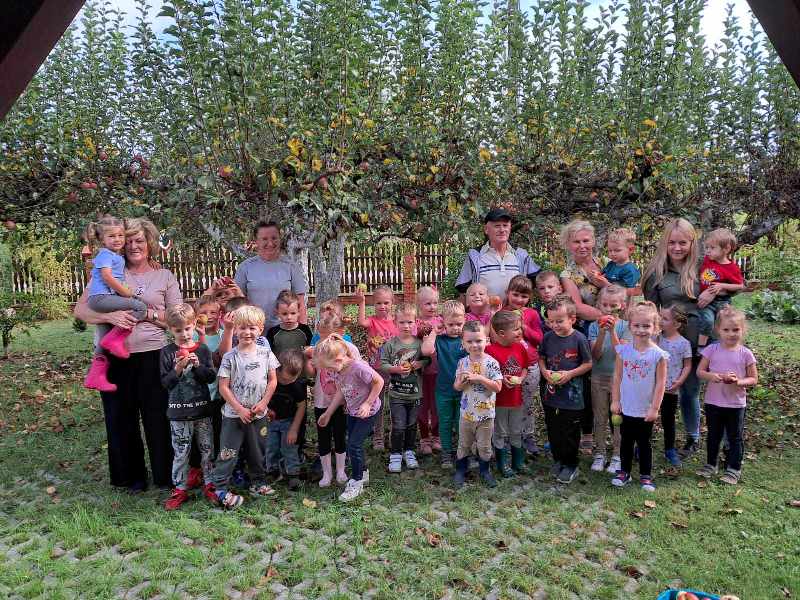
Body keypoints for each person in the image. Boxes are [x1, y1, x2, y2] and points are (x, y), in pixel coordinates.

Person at [74, 217, 182, 493]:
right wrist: (109, 316)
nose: (134, 246)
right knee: (120, 418)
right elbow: (81, 310)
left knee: (158, 417)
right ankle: (130, 477)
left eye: (139, 241)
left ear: (149, 243)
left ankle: (165, 475)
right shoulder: (110, 271)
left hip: (154, 355)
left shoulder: (164, 276)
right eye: (129, 241)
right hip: (116, 358)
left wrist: (147, 315)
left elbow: (177, 319)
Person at [642, 217, 717, 458]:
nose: (677, 248)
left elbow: (730, 287)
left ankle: (694, 437)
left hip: (702, 338)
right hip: (671, 342)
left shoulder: (704, 267)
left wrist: (714, 291)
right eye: (672, 242)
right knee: (665, 388)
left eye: (683, 243)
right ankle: (654, 437)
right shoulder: (656, 272)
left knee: (691, 389)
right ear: (665, 242)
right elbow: (651, 311)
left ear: (692, 243)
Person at [211, 305, 279, 509]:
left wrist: (264, 402)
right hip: (234, 415)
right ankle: (220, 489)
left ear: (260, 329)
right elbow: (223, 387)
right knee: (228, 451)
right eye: (242, 327)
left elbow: (273, 381)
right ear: (235, 330)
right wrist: (239, 409)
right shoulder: (230, 357)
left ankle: (258, 482)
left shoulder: (266, 354)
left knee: (257, 450)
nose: (247, 332)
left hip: (258, 414)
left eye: (252, 328)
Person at [159, 303, 217, 510]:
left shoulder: (202, 349)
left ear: (194, 325)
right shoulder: (166, 352)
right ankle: (180, 488)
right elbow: (166, 383)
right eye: (178, 330)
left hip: (202, 410)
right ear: (170, 329)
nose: (184, 334)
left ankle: (210, 483)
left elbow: (210, 378)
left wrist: (198, 366)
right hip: (179, 412)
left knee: (207, 449)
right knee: (181, 452)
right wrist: (178, 368)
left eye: (187, 328)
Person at [82, 216, 148, 392]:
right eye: (111, 236)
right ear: (102, 239)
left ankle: (95, 376)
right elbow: (107, 276)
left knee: (102, 341)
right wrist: (125, 292)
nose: (117, 239)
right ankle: (116, 339)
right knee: (140, 307)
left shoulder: (115, 256)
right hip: (101, 298)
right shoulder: (105, 254)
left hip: (103, 299)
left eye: (120, 235)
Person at [315, 334, 384, 502]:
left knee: (354, 444)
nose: (329, 372)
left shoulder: (358, 367)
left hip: (368, 411)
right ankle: (363, 472)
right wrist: (328, 413)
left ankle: (357, 481)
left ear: (339, 359)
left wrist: (367, 404)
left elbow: (379, 382)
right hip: (353, 411)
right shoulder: (338, 370)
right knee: (353, 443)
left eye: (329, 368)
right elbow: (341, 391)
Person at [610, 302, 669, 492]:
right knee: (626, 441)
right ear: (630, 326)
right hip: (626, 406)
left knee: (644, 443)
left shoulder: (659, 355)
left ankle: (645, 475)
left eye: (646, 326)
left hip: (645, 409)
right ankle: (624, 472)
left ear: (655, 328)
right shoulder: (623, 351)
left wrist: (654, 408)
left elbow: (661, 383)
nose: (641, 330)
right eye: (636, 325)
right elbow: (617, 377)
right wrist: (615, 400)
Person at [695, 307, 758, 485]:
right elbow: (700, 372)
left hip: (735, 404)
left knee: (734, 437)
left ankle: (734, 468)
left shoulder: (746, 353)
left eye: (736, 329)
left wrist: (738, 381)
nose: (731, 334)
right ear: (718, 330)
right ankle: (711, 464)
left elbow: (753, 379)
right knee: (713, 435)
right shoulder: (711, 350)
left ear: (743, 330)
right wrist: (713, 376)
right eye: (726, 330)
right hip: (713, 402)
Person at [559, 220, 605, 456]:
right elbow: (577, 307)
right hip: (587, 332)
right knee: (587, 382)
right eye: (576, 241)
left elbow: (624, 291)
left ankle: (615, 433)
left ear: (594, 241)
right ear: (568, 244)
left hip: (617, 329)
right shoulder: (568, 274)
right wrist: (608, 316)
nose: (582, 245)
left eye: (586, 240)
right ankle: (587, 433)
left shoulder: (607, 263)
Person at [538, 296, 592, 484]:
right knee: (554, 429)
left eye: (559, 321)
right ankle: (558, 460)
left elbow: (588, 364)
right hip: (551, 394)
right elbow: (541, 358)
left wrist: (570, 374)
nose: (555, 325)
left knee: (570, 431)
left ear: (572, 319)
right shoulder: (548, 338)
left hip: (572, 396)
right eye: (551, 321)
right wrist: (544, 371)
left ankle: (571, 464)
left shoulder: (579, 339)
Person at [309, 313, 361, 487]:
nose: (325, 341)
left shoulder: (349, 349)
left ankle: (340, 470)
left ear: (340, 333)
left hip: (342, 401)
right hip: (321, 400)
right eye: (321, 336)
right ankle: (326, 473)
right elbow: (312, 372)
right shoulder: (318, 347)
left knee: (340, 434)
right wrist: (306, 360)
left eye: (329, 337)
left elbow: (357, 370)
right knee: (323, 435)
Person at [452, 321, 503, 488]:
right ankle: (461, 470)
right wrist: (462, 381)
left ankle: (485, 471)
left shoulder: (491, 363)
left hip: (486, 415)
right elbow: (456, 387)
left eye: (478, 340)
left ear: (486, 340)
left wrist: (480, 378)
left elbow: (498, 387)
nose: (474, 345)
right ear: (463, 343)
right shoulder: (462, 363)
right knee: (463, 444)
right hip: (466, 414)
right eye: (470, 341)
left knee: (484, 446)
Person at [380, 304, 430, 473]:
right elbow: (383, 364)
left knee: (411, 425)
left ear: (415, 322)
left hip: (415, 394)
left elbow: (428, 360)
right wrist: (395, 369)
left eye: (410, 322)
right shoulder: (390, 344)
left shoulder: (419, 344)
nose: (406, 326)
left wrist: (420, 363)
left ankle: (409, 451)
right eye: (402, 322)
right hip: (397, 394)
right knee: (399, 425)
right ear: (395, 322)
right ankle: (395, 454)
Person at [233, 221, 309, 330]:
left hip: (285, 332)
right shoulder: (245, 268)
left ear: (280, 239)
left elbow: (300, 304)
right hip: (253, 333)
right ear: (256, 241)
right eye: (264, 239)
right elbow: (238, 303)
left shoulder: (291, 267)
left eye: (274, 238)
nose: (270, 243)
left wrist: (304, 332)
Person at [587, 285, 630, 474]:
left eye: (613, 305)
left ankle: (617, 455)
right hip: (598, 378)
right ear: (599, 304)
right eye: (605, 304)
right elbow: (595, 355)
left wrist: (612, 332)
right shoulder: (593, 326)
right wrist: (602, 332)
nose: (608, 309)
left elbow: (622, 353)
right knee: (599, 417)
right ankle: (600, 453)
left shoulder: (626, 327)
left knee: (617, 418)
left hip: (619, 380)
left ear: (622, 306)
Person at [455, 207, 541, 301]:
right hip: (484, 310)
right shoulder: (475, 255)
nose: (502, 230)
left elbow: (540, 282)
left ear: (510, 228)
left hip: (515, 310)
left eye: (505, 225)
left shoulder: (521, 255)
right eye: (497, 226)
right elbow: (463, 290)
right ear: (486, 229)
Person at [421, 300, 467, 469]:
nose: (455, 328)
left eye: (459, 324)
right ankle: (446, 452)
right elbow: (426, 351)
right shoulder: (440, 340)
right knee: (445, 422)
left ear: (465, 321)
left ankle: (463, 452)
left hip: (464, 391)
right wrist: (435, 331)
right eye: (451, 324)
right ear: (443, 322)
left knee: (462, 423)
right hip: (443, 390)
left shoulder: (466, 340)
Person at [503, 274, 543, 456]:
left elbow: (539, 338)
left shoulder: (532, 314)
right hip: (509, 366)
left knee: (526, 403)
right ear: (508, 293)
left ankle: (528, 436)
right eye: (515, 295)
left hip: (530, 365)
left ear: (529, 297)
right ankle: (507, 438)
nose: (519, 299)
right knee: (507, 403)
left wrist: (525, 327)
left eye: (524, 296)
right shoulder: (502, 313)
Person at [486, 310, 530, 477]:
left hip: (516, 399)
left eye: (520, 328)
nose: (520, 331)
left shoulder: (520, 347)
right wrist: (500, 379)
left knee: (517, 430)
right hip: (499, 401)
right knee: (500, 432)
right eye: (516, 329)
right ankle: (502, 464)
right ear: (502, 333)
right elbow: (486, 373)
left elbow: (525, 367)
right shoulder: (490, 351)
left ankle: (518, 462)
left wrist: (521, 379)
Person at [356, 284, 399, 451]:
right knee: (377, 404)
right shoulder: (372, 321)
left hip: (395, 370)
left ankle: (395, 435)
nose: (382, 306)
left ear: (392, 302)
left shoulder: (397, 322)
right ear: (373, 304)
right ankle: (378, 437)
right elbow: (361, 322)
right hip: (377, 370)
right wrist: (361, 302)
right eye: (378, 303)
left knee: (395, 404)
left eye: (386, 303)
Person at [265, 349, 307, 491]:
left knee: (289, 447)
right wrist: (265, 409)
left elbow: (301, 406)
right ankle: (272, 471)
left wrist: (294, 429)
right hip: (270, 421)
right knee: (270, 446)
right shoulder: (269, 379)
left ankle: (293, 474)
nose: (286, 382)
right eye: (284, 379)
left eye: (291, 380)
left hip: (288, 421)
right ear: (277, 369)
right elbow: (261, 396)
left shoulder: (296, 386)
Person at [696, 228, 745, 349]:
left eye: (712, 248)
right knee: (707, 321)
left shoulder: (731, 268)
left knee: (724, 324)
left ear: (726, 249)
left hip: (722, 302)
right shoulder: (707, 260)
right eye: (707, 247)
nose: (708, 251)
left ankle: (725, 347)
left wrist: (722, 285)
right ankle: (701, 347)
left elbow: (739, 285)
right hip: (706, 302)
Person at [657, 305, 693, 468]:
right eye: (660, 317)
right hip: (653, 387)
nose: (660, 320)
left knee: (668, 419)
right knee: (647, 418)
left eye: (664, 318)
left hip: (671, 389)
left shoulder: (684, 344)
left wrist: (680, 381)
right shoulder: (656, 338)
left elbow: (687, 365)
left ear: (677, 324)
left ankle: (670, 449)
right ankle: (641, 446)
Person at [415, 285, 443, 455]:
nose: (432, 307)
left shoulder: (441, 321)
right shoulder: (415, 323)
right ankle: (424, 438)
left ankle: (437, 437)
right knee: (423, 406)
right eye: (427, 303)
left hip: (439, 371)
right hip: (421, 373)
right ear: (419, 304)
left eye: (435, 303)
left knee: (436, 405)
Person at [600, 228, 641, 298]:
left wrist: (606, 284)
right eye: (610, 250)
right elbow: (603, 275)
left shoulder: (630, 270)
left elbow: (627, 292)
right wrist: (597, 275)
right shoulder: (610, 264)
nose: (612, 254)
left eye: (617, 250)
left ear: (630, 250)